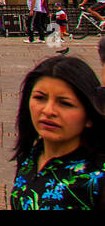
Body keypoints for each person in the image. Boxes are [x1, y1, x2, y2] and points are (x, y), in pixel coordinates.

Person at [10, 56, 105, 210]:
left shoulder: (96, 177)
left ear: (89, 115)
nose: (48, 111)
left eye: (65, 103)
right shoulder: (30, 156)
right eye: (40, 98)